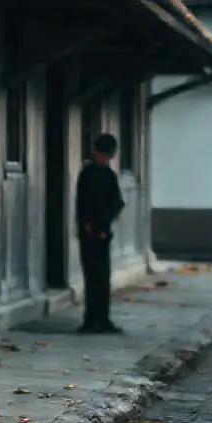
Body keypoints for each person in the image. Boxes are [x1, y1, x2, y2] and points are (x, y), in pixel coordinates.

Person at [75, 132, 126, 334]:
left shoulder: (106, 174)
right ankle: (92, 318)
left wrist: (103, 224)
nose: (105, 158)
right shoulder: (88, 173)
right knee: (93, 275)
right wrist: (91, 225)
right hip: (89, 231)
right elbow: (83, 205)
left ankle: (101, 317)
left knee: (102, 276)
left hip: (101, 230)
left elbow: (117, 202)